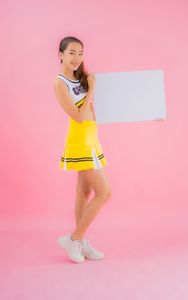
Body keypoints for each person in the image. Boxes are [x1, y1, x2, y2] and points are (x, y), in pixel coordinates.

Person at [54, 36, 112, 263]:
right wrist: (92, 90)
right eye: (71, 53)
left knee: (84, 193)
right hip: (80, 141)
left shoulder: (81, 80)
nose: (77, 58)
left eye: (80, 53)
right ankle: (74, 239)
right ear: (60, 55)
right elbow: (78, 117)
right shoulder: (60, 83)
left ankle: (81, 241)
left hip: (92, 139)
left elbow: (96, 111)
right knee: (104, 192)